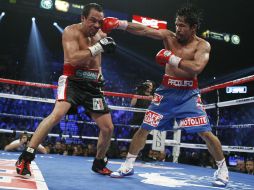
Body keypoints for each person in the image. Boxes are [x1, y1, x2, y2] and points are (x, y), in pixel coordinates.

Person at [102, 5, 229, 187]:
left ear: (193, 28)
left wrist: (171, 58)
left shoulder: (203, 45)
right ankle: (128, 165)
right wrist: (119, 24)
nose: (178, 29)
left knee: (205, 133)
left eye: (183, 26)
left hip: (188, 95)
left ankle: (222, 169)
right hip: (166, 92)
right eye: (177, 24)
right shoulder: (170, 37)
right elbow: (145, 30)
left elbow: (196, 68)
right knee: (144, 127)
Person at [15, 3, 116, 177]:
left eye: (100, 21)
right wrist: (99, 46)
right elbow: (73, 58)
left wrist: (100, 75)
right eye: (93, 20)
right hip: (72, 81)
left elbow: (97, 61)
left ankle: (99, 163)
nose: (97, 25)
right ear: (83, 18)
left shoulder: (100, 35)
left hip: (93, 86)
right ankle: (26, 157)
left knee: (108, 128)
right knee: (57, 114)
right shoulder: (71, 31)